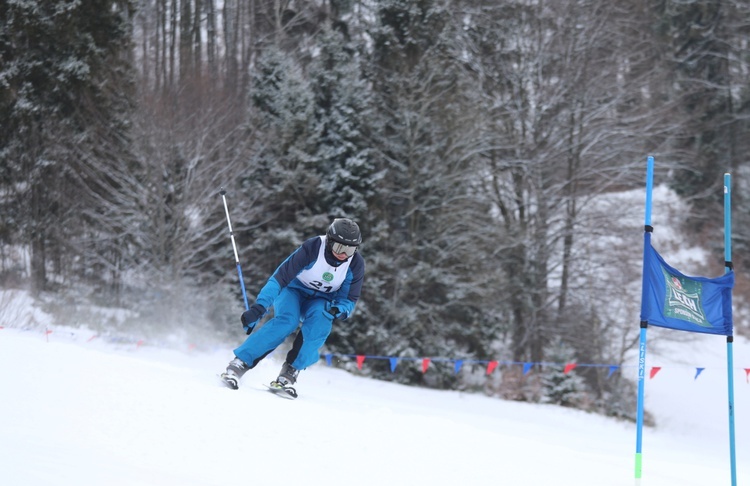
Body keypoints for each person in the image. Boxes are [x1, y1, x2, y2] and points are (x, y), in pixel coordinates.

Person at [220, 218, 365, 394]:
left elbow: (348, 298)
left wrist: (340, 309)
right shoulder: (312, 248)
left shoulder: (355, 264)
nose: (343, 254)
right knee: (288, 321)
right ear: (329, 241)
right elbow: (279, 279)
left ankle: (289, 373)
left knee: (321, 321)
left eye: (349, 249)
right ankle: (239, 364)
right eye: (339, 247)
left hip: (321, 300)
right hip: (293, 290)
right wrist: (259, 307)